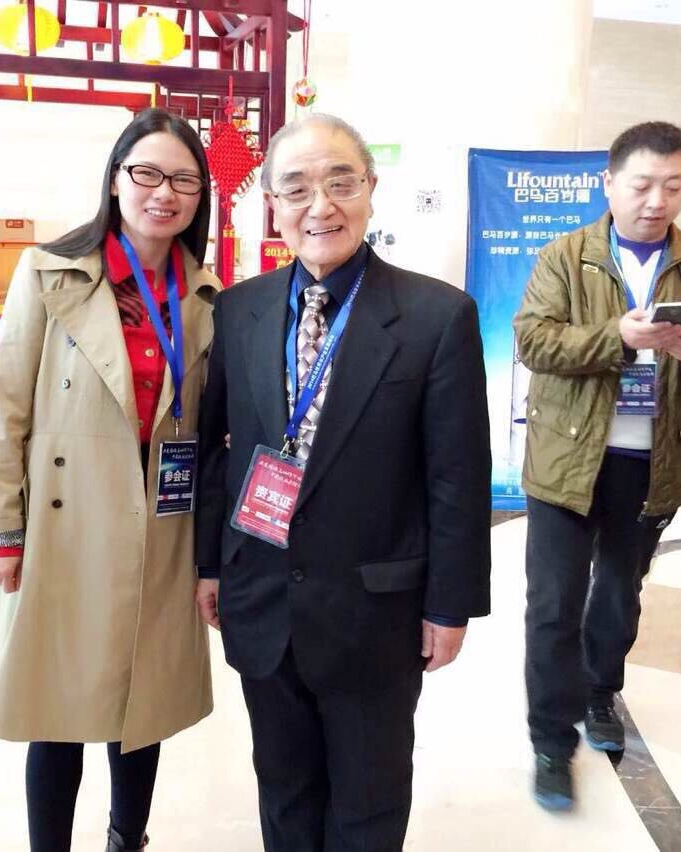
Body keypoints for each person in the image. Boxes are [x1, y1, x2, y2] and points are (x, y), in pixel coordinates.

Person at [194, 114, 492, 852]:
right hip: (263, 599)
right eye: (296, 188)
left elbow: (458, 475)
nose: (319, 206)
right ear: (272, 204)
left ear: (370, 190)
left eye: (340, 183)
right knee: (284, 790)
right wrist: (210, 565)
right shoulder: (239, 309)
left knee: (368, 802)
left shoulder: (436, 316)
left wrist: (450, 604)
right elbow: (216, 451)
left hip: (376, 612)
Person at [0, 107, 221, 852]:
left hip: (163, 523)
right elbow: (5, 408)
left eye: (184, 180)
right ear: (116, 181)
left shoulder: (208, 296)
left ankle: (126, 838)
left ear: (201, 195)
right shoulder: (49, 274)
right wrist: (1, 530)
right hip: (67, 525)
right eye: (147, 173)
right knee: (55, 709)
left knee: (141, 706)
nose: (164, 193)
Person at [513, 121, 681, 811]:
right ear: (609, 183)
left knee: (619, 594)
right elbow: (533, 341)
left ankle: (599, 693)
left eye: (673, 186)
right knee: (553, 605)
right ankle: (551, 742)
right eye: (643, 184)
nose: (657, 200)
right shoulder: (566, 255)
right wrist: (615, 336)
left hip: (651, 463)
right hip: (566, 462)